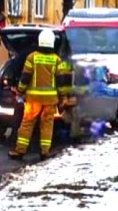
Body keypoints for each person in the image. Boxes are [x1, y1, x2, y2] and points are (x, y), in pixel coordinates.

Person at [9, 29, 73, 161]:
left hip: (33, 100)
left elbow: (25, 78)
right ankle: (44, 152)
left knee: (27, 124)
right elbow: (61, 82)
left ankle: (20, 151)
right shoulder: (57, 60)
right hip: (50, 101)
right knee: (47, 126)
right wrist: (63, 97)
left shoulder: (32, 57)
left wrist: (20, 90)